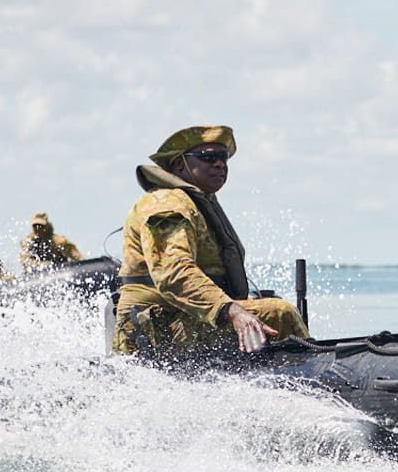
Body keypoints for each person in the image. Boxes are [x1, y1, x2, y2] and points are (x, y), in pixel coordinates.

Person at [113, 124, 309, 356]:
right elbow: (174, 273)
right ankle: (312, 381)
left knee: (265, 302)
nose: (220, 164)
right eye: (208, 157)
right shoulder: (167, 203)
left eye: (223, 158)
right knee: (279, 312)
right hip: (156, 330)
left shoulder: (194, 202)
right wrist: (232, 310)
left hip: (179, 319)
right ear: (179, 164)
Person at [19, 212, 85, 272]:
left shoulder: (59, 242)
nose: (38, 228)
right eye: (35, 226)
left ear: (47, 226)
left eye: (41, 226)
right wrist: (44, 265)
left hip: (60, 272)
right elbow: (25, 261)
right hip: (37, 275)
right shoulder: (28, 242)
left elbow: (79, 259)